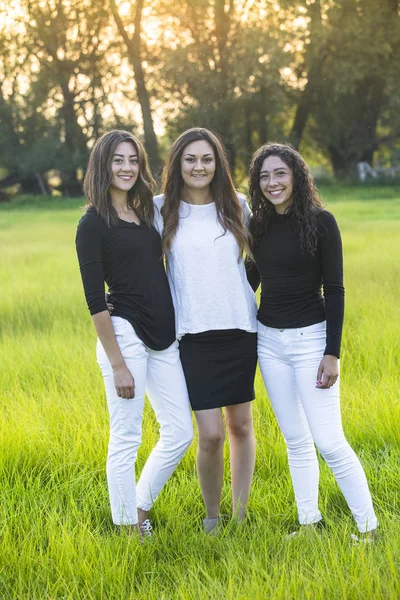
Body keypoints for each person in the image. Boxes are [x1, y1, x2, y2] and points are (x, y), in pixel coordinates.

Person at [247, 142, 377, 539]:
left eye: (280, 173)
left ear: (296, 176)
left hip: (311, 342)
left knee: (329, 441)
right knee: (296, 440)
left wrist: (332, 353)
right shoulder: (258, 226)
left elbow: (335, 290)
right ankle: (310, 523)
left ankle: (369, 529)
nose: (272, 182)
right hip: (269, 343)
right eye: (264, 176)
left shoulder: (322, 222)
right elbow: (248, 282)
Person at [75, 130, 193, 538]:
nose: (126, 168)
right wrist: (118, 364)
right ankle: (127, 528)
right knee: (126, 437)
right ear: (103, 166)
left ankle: (138, 507)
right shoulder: (92, 223)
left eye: (132, 160)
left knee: (180, 431)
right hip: (125, 335)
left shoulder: (146, 214)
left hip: (164, 335)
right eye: (117, 160)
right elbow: (94, 300)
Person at [153, 128, 258, 534]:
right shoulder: (162, 209)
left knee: (241, 426)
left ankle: (241, 516)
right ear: (178, 164)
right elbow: (131, 255)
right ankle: (212, 517)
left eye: (207, 159)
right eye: (191, 159)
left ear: (218, 165)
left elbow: (263, 258)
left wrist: (242, 291)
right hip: (192, 336)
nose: (200, 166)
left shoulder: (238, 206)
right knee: (211, 434)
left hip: (239, 331)